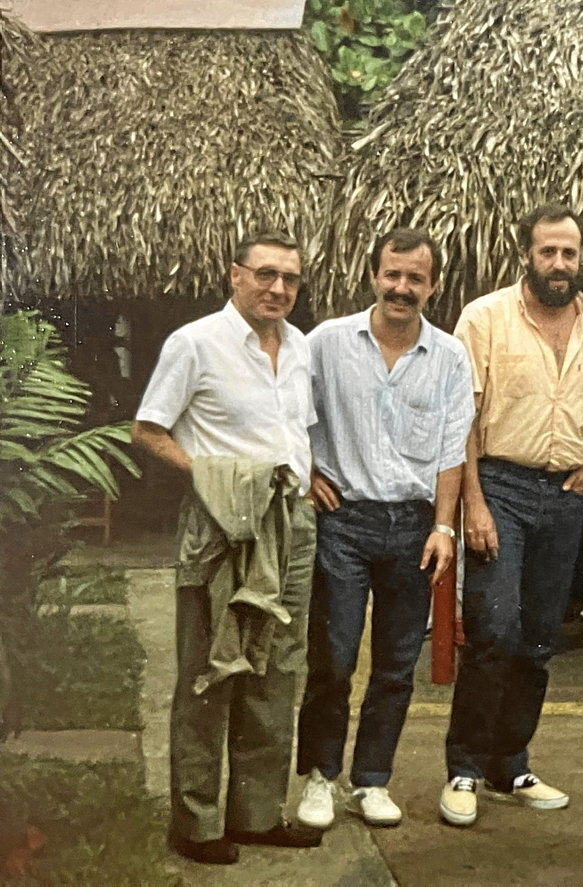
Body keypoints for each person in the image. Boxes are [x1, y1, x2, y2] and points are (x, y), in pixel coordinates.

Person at [132, 231, 323, 864]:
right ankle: (196, 823)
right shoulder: (195, 343)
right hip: (220, 525)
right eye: (265, 274)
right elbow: (148, 430)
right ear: (234, 274)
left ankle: (257, 814)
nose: (278, 288)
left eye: (290, 278)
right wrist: (212, 477)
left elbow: (294, 432)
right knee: (210, 670)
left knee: (276, 668)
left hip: (291, 526)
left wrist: (306, 479)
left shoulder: (300, 348)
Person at [439, 203, 583, 827]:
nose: (559, 264)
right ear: (527, 252)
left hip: (566, 495)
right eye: (548, 252)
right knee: (493, 630)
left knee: (540, 637)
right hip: (501, 485)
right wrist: (474, 504)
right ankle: (464, 768)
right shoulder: (485, 317)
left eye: (569, 253)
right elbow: (460, 416)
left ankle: (511, 764)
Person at [294, 228, 473, 829]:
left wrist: (444, 527)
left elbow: (453, 449)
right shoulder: (326, 344)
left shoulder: (448, 356)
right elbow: (288, 410)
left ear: (433, 286)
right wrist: (308, 471)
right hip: (343, 520)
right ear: (373, 276)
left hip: (413, 526)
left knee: (397, 665)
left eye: (415, 279)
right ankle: (320, 777)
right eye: (392, 275)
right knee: (335, 659)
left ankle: (372, 780)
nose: (402, 288)